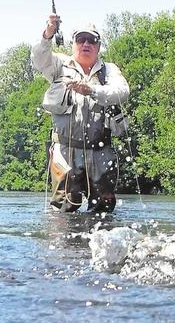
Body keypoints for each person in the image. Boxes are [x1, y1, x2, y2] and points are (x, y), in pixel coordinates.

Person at [32, 14, 130, 212]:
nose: (86, 44)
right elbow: (38, 58)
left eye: (91, 40)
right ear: (73, 43)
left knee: (104, 209)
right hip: (65, 151)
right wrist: (48, 32)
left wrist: (91, 90)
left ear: (98, 46)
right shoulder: (58, 64)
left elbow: (122, 92)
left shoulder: (109, 70)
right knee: (63, 208)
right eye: (81, 39)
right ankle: (63, 243)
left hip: (101, 151)